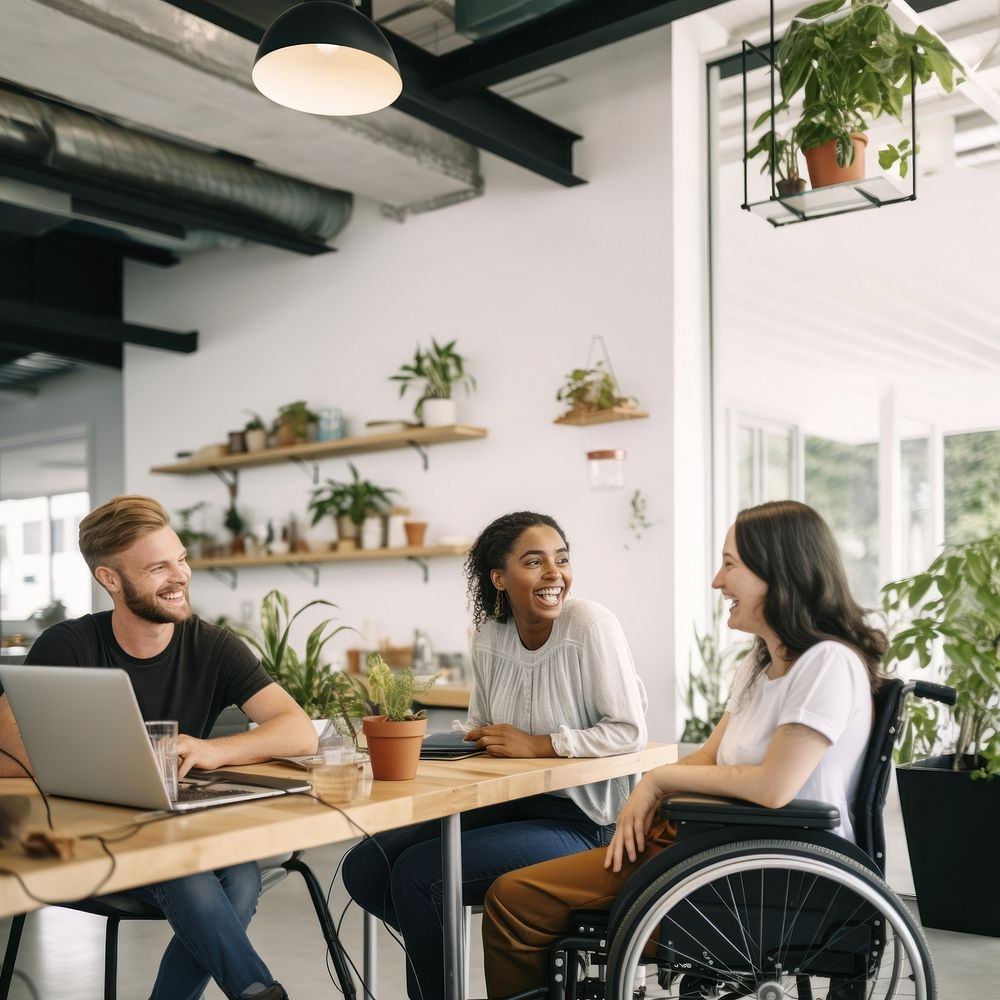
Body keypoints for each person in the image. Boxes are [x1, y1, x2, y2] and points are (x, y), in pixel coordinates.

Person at [482, 499, 887, 998]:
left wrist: (658, 780)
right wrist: (649, 797)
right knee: (517, 895)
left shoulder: (827, 664)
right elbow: (710, 756)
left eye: (730, 565)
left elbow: (773, 786)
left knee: (513, 900)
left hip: (767, 872)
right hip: (709, 844)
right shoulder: (762, 663)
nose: (718, 582)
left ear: (777, 572)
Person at [0, 495, 318, 1000]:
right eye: (158, 568)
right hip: (94, 841)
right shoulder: (69, 646)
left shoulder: (212, 645)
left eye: (181, 559)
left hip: (180, 831)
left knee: (230, 874)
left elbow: (298, 730)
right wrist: (106, 764)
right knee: (219, 877)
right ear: (110, 580)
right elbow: (7, 756)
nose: (180, 576)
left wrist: (216, 750)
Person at [342, 510, 648, 1000]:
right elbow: (484, 727)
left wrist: (539, 744)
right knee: (366, 865)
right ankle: (438, 959)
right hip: (507, 802)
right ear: (500, 578)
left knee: (421, 876)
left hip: (585, 821)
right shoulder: (490, 635)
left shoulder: (590, 625)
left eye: (562, 560)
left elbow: (630, 731)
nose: (554, 574)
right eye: (535, 562)